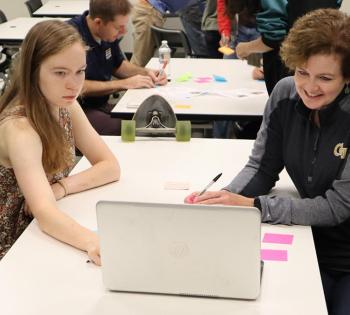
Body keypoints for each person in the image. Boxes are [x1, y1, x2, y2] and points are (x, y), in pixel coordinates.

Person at [185, 9, 350, 314]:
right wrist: (226, 200)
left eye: (325, 78)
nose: (309, 88)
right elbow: (262, 167)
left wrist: (256, 206)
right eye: (302, 72)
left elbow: (336, 206)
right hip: (306, 241)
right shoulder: (285, 93)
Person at [0, 20, 121, 265]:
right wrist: (92, 241)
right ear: (34, 71)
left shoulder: (63, 103)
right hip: (14, 247)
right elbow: (44, 213)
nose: (73, 84)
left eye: (80, 71)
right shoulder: (20, 129)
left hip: (41, 231)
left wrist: (62, 187)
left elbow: (110, 166)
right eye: (60, 73)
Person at [69, 0, 167, 135]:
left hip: (99, 104)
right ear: (98, 22)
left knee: (151, 117)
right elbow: (76, 86)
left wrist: (147, 73)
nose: (123, 31)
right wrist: (124, 84)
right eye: (118, 27)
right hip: (74, 109)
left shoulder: (106, 34)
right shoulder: (70, 39)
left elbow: (118, 65)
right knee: (126, 128)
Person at [228, 0, 343, 95]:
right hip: (324, 58)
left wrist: (245, 48)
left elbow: (273, 39)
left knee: (291, 112)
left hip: (290, 64)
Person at [130, 0, 209, 67]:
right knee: (140, 62)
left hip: (149, 10)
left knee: (141, 61)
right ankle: (130, 83)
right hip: (147, 11)